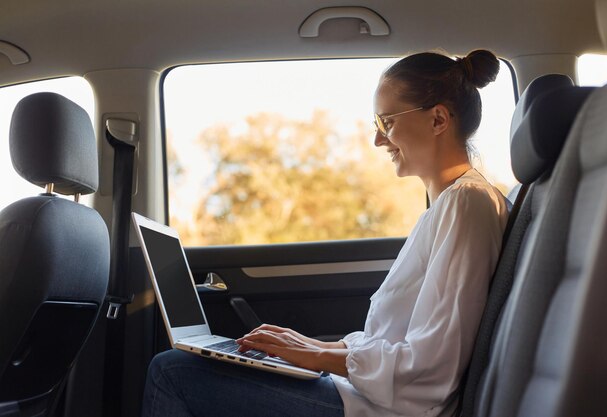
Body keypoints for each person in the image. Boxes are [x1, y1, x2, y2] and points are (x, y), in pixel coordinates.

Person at [142, 49, 509, 417]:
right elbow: (397, 341)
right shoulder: (449, 205)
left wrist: (316, 356)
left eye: (387, 122)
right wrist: (315, 346)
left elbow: (431, 368)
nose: (379, 140)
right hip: (372, 395)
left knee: (170, 371)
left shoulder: (467, 203)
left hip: (389, 409)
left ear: (439, 119)